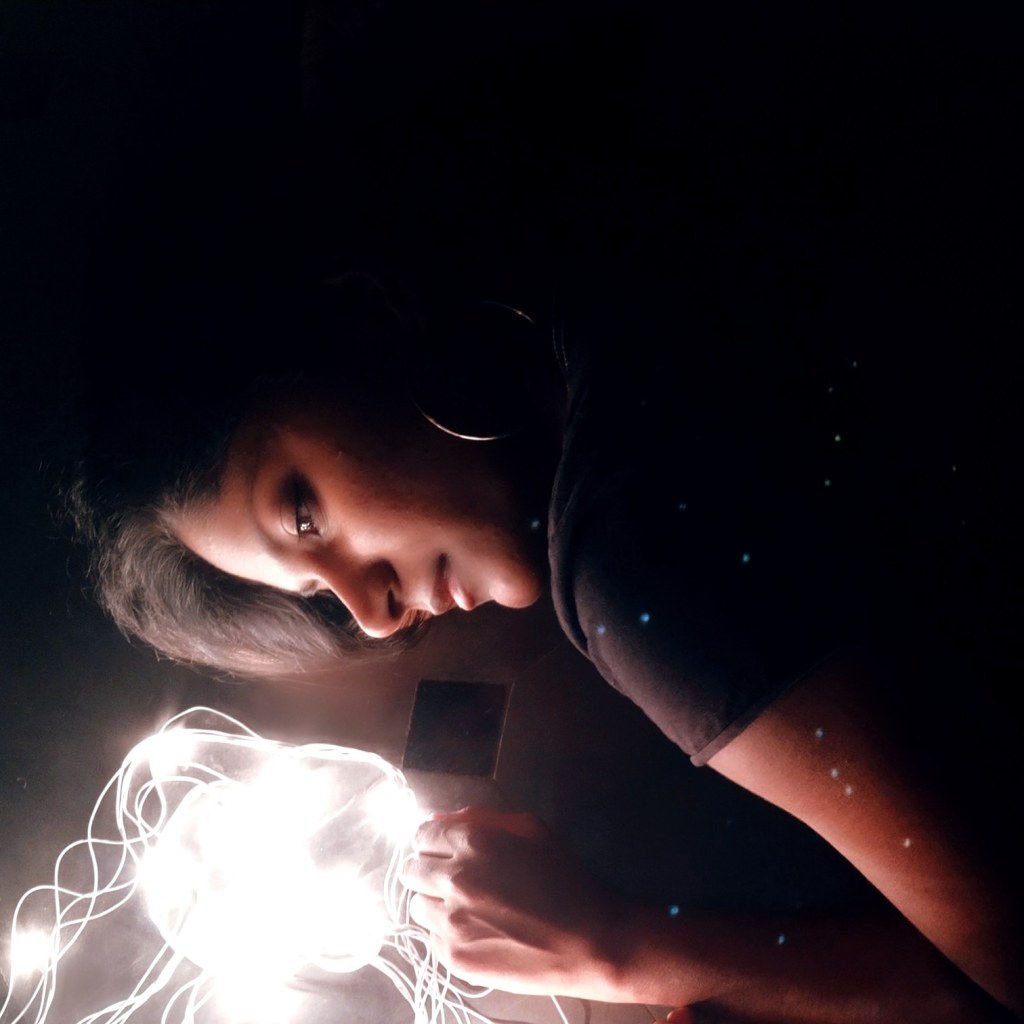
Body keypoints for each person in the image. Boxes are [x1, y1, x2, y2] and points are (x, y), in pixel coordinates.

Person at [63, 262, 1020, 1024]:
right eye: (319, 591)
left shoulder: (633, 555)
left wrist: (614, 948)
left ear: (363, 320)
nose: (374, 612)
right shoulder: (633, 314)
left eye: (302, 514)